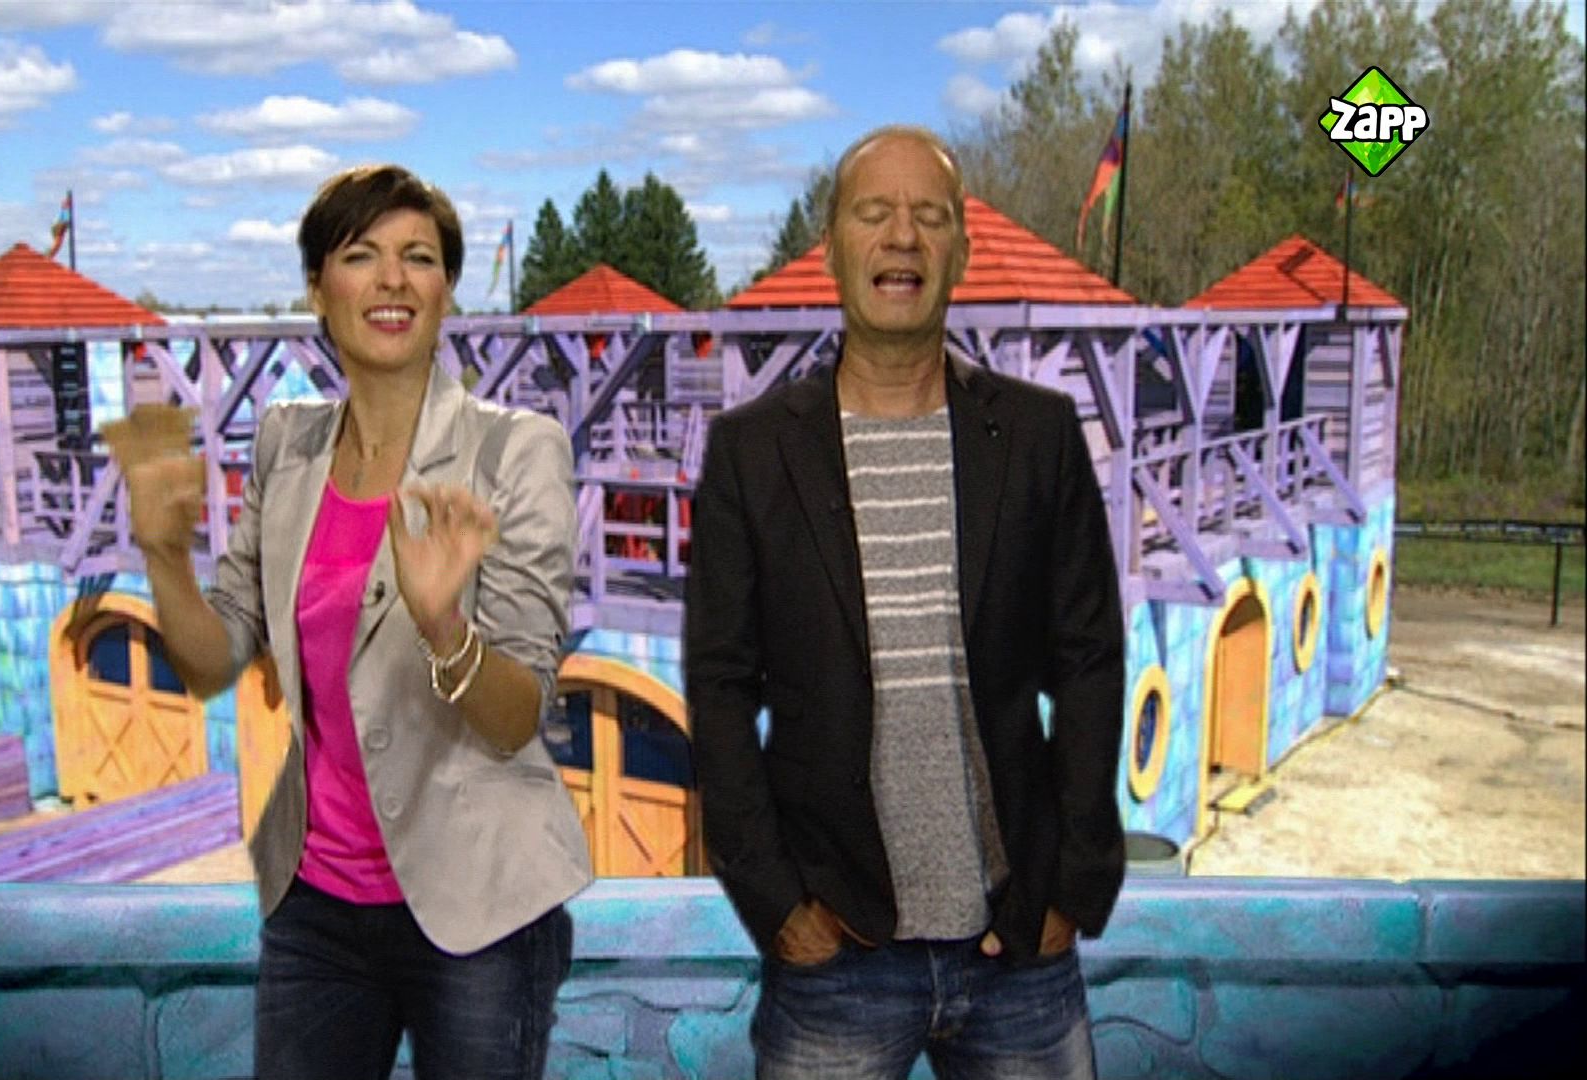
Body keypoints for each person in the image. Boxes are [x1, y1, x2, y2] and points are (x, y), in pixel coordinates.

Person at [116, 164, 591, 1080]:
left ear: (446, 291)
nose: (393, 279)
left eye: (420, 257)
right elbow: (216, 657)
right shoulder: (285, 441)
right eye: (362, 254)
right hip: (317, 906)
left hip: (480, 911)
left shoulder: (515, 450)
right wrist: (165, 554)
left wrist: (443, 624)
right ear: (317, 288)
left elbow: (515, 716)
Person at [685, 125, 1127, 1079]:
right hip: (835, 956)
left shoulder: (1041, 436)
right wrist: (775, 902)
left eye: (930, 215)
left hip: (1021, 950)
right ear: (831, 245)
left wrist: (1074, 883)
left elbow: (1089, 662)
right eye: (874, 213)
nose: (902, 237)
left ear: (960, 250)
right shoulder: (752, 453)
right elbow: (719, 689)